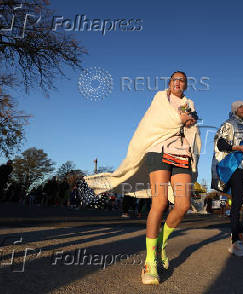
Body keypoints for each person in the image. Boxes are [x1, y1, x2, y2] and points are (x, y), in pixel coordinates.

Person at [84, 71, 201, 285]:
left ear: (185, 85)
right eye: (175, 79)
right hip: (159, 151)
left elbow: (192, 128)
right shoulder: (160, 98)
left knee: (183, 205)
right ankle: (149, 261)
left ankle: (161, 245)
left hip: (182, 154)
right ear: (170, 83)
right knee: (160, 202)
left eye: (182, 80)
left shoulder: (189, 103)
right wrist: (178, 119)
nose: (178, 82)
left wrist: (190, 122)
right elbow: (158, 121)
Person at [211, 100, 243, 257]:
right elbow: (220, 144)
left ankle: (240, 231)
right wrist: (236, 148)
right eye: (241, 106)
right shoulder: (228, 123)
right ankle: (235, 241)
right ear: (234, 109)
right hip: (233, 166)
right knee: (237, 200)